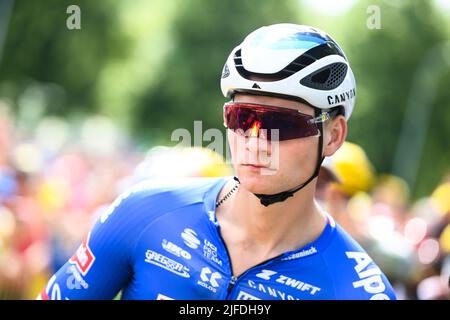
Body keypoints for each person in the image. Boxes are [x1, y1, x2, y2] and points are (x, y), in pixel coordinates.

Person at [38, 23, 396, 300]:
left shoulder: (359, 289)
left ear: (333, 135)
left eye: (282, 123)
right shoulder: (144, 212)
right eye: (243, 117)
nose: (256, 140)